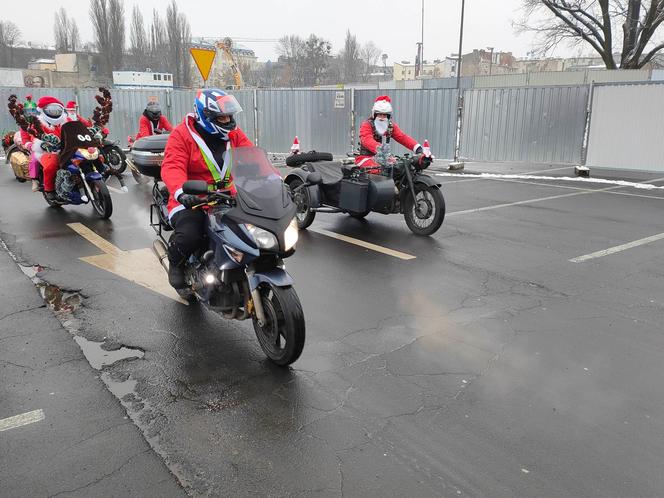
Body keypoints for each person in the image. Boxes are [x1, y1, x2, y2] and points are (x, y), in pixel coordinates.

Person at [160, 89, 253, 288]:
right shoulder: (181, 134)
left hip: (226, 198)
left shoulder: (233, 133)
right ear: (206, 115)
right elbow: (172, 166)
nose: (227, 120)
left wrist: (277, 182)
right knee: (190, 233)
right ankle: (175, 262)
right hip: (193, 199)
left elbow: (251, 156)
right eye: (221, 117)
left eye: (229, 115)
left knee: (252, 231)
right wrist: (182, 193)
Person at [355, 95, 430, 173]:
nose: (381, 117)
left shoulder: (390, 126)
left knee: (400, 168)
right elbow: (366, 139)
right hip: (366, 158)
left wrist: (418, 148)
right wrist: (380, 148)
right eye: (379, 114)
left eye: (384, 115)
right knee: (378, 170)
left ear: (388, 116)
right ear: (374, 114)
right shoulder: (367, 124)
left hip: (384, 157)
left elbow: (402, 137)